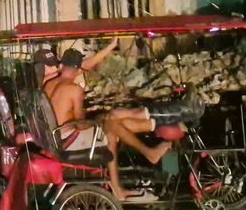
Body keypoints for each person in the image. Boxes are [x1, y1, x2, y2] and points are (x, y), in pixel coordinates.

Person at [44, 39, 177, 201]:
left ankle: (149, 146)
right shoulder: (74, 90)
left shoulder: (49, 84)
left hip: (56, 138)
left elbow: (82, 68)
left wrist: (111, 46)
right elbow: (80, 123)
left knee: (112, 122)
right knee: (111, 127)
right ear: (79, 69)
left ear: (62, 65)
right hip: (69, 140)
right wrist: (97, 120)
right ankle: (146, 158)